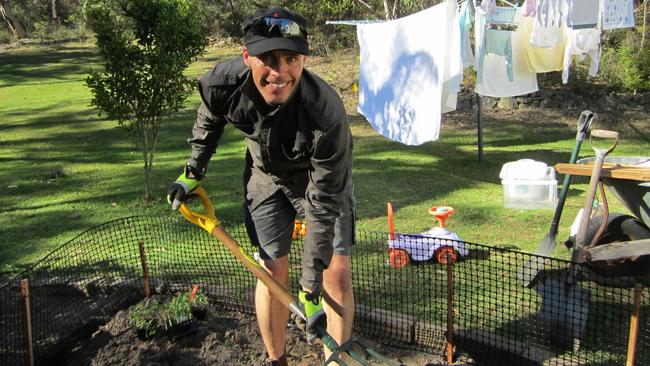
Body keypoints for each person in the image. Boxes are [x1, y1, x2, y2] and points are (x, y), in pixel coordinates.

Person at [167, 6, 355, 366]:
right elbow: (210, 117)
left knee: (336, 270)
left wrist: (310, 286)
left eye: (290, 58)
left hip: (318, 183)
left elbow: (324, 202)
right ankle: (276, 360)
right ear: (246, 57)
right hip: (264, 178)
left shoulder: (326, 113)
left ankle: (337, 361)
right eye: (267, 58)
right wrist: (193, 170)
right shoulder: (223, 83)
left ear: (303, 60)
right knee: (272, 269)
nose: (279, 71)